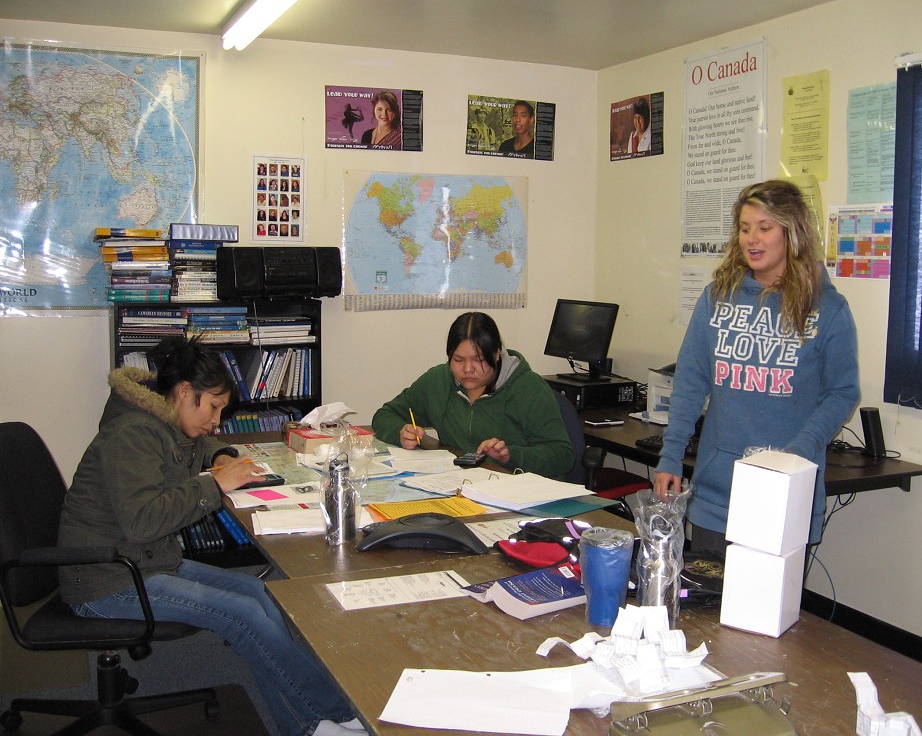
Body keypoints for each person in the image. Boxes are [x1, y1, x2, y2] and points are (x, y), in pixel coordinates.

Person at [57, 337, 362, 736]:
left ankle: (307, 725)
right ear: (185, 392)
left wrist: (220, 455)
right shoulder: (131, 433)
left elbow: (197, 442)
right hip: (105, 579)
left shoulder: (160, 417)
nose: (217, 419)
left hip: (143, 561)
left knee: (260, 595)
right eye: (214, 406)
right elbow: (143, 521)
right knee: (243, 614)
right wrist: (216, 485)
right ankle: (334, 714)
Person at [653, 180, 860, 557]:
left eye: (765, 228)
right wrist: (671, 455)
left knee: (766, 613)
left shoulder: (828, 309)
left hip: (783, 492)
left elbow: (842, 392)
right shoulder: (718, 297)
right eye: (745, 228)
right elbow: (690, 379)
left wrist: (798, 451)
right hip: (716, 492)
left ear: (791, 232)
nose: (753, 239)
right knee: (705, 609)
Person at [372, 312, 574, 479]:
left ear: (496, 354)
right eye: (458, 360)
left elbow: (562, 455)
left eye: (478, 360)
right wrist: (399, 432)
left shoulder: (528, 388)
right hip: (462, 486)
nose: (467, 369)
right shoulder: (438, 381)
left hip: (517, 492)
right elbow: (385, 415)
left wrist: (510, 455)